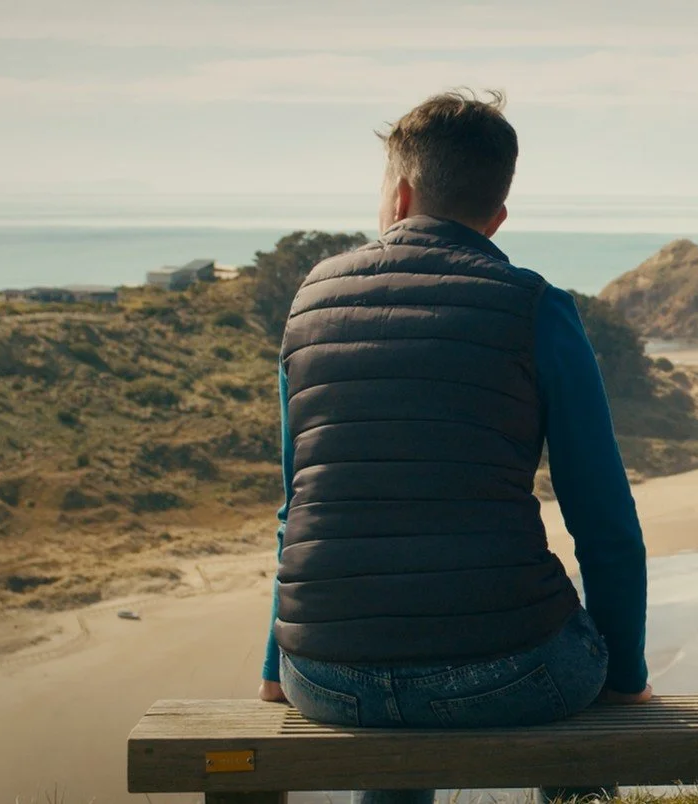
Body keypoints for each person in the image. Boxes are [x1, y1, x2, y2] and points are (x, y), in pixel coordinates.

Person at [257, 90, 651, 804]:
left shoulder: (311, 302)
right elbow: (604, 523)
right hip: (510, 674)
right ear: (497, 217)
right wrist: (625, 676)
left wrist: (273, 668)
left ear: (401, 194)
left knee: (394, 697)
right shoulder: (537, 307)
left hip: (323, 674)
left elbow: (300, 503)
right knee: (570, 658)